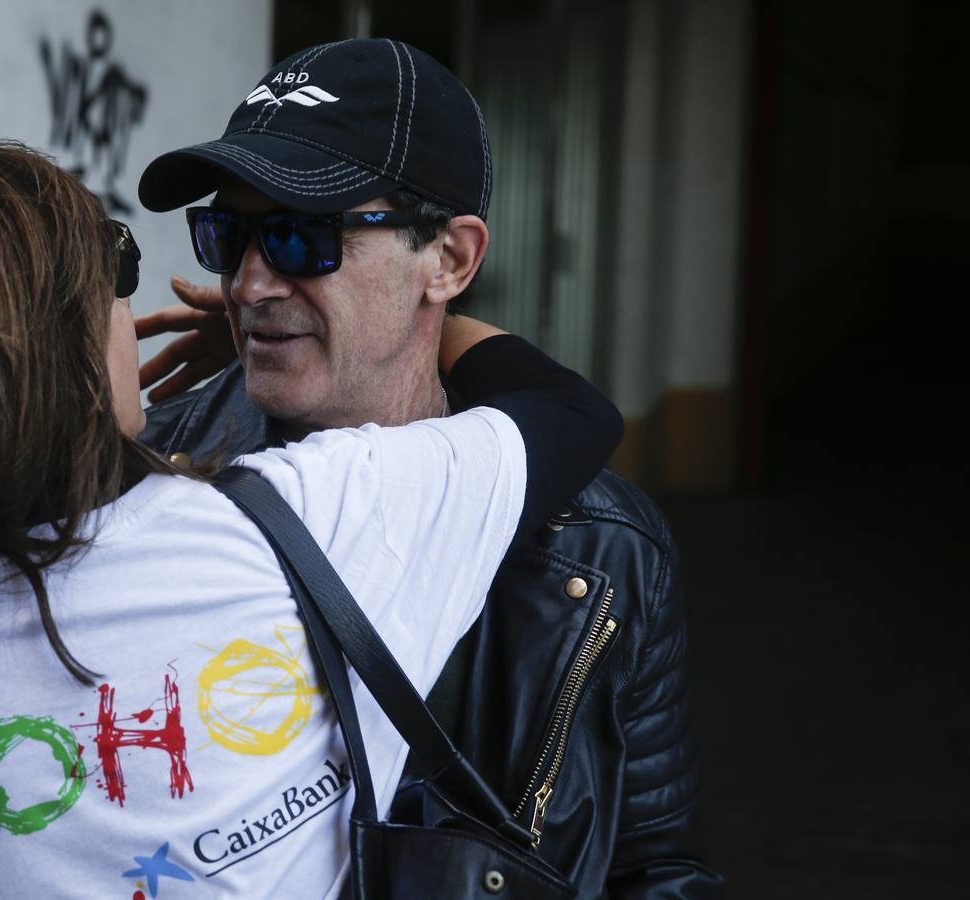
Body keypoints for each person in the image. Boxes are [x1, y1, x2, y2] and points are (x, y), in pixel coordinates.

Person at [0, 141, 620, 898]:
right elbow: (566, 413)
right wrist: (419, 308)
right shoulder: (288, 529)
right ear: (62, 352)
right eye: (114, 267)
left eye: (295, 242)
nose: (244, 284)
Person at [136, 38, 725, 896]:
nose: (250, 285)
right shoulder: (147, 478)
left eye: (302, 239)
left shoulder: (602, 548)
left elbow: (655, 865)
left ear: (448, 259)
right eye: (228, 235)